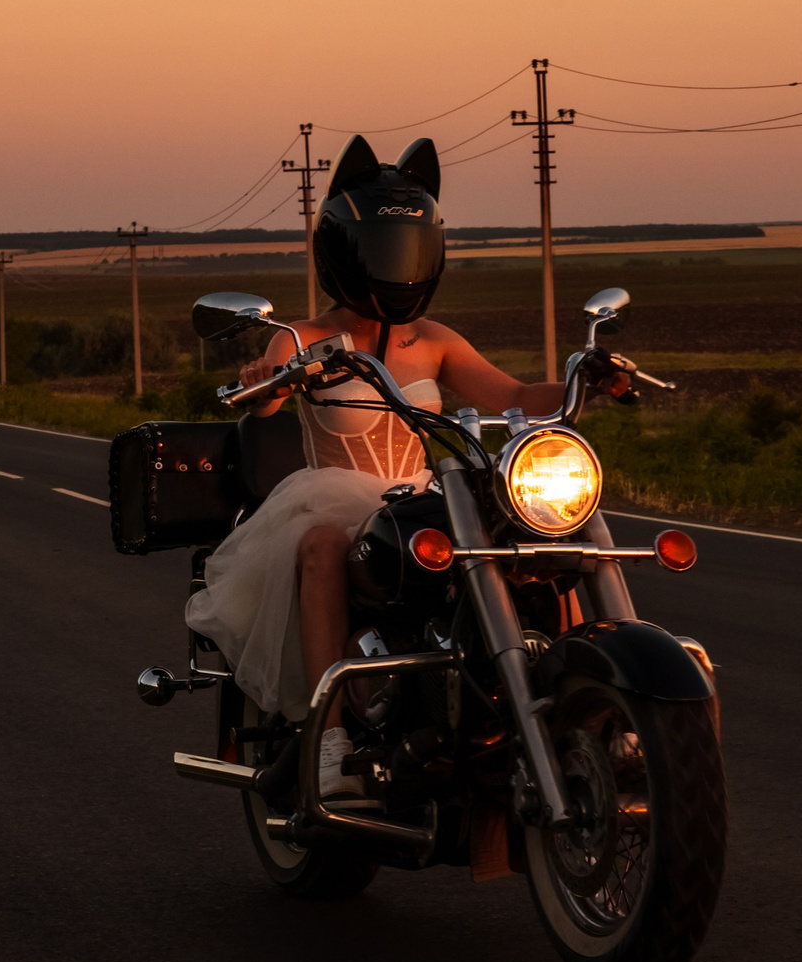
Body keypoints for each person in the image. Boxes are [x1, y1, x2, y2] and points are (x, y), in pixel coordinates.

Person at [183, 135, 624, 802]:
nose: (397, 264)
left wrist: (584, 377)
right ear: (347, 250)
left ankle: (582, 704)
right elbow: (268, 395)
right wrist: (264, 381)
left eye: (408, 250)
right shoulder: (303, 337)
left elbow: (514, 397)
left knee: (538, 538)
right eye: (385, 250)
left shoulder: (435, 340)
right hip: (336, 499)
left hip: (418, 495)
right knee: (321, 545)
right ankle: (330, 741)